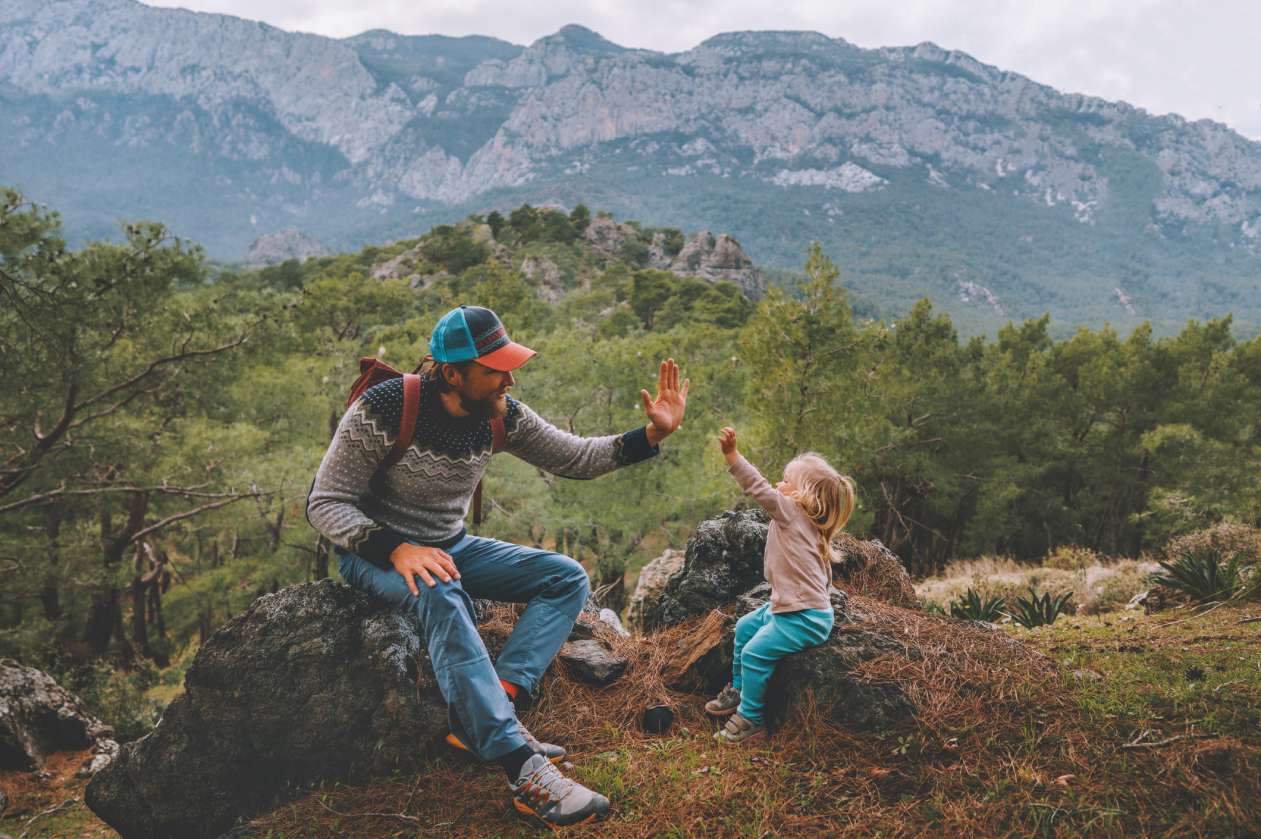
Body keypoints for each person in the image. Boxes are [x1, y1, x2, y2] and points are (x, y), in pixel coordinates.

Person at [306, 305, 688, 828]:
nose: (509, 377)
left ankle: (496, 703)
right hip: (373, 555)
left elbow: (575, 458)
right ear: (451, 371)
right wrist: (397, 549)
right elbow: (325, 503)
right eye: (494, 368)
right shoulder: (386, 408)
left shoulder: (500, 414)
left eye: (509, 365)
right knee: (440, 590)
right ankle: (520, 767)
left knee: (566, 576)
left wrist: (651, 435)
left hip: (451, 545)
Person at [705, 427, 855, 743]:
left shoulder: (790, 511)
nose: (779, 484)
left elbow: (758, 488)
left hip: (804, 617)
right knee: (745, 627)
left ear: (804, 493)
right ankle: (740, 689)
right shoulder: (810, 524)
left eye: (786, 480)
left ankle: (752, 720)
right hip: (789, 608)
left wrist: (733, 457)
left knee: (756, 653)